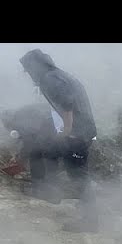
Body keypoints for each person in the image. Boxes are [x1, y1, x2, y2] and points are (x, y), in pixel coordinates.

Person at [18, 48, 99, 232]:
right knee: (43, 149)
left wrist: (67, 131)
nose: (27, 74)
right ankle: (48, 192)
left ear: (35, 66)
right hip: (78, 131)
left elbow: (67, 102)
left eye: (27, 69)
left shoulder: (50, 78)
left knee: (79, 177)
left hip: (78, 134)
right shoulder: (56, 75)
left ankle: (91, 221)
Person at [0, 103, 61, 203]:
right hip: (55, 134)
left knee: (35, 157)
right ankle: (53, 191)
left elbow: (29, 142)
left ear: (7, 120)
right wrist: (20, 155)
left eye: (6, 124)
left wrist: (20, 159)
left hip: (46, 138)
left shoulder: (17, 121)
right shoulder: (23, 113)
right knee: (50, 162)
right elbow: (27, 138)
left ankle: (40, 190)